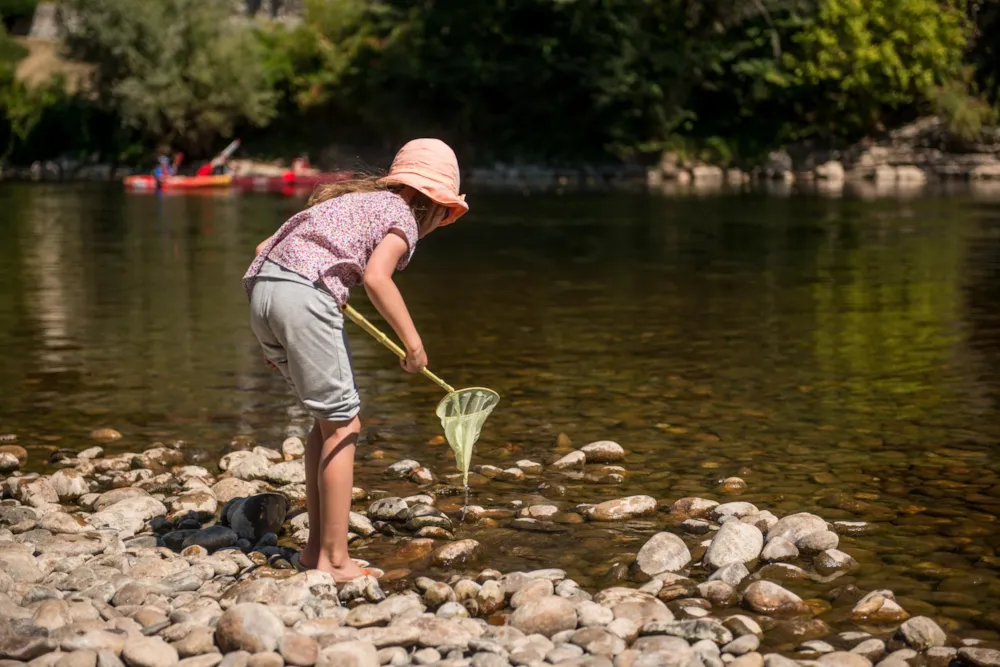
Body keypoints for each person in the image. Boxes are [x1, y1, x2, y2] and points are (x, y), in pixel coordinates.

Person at [243, 139, 468, 581]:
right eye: (445, 215)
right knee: (345, 425)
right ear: (436, 206)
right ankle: (336, 560)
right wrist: (413, 343)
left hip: (263, 293)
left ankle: (314, 553)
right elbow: (376, 278)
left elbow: (262, 249)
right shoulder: (402, 217)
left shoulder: (352, 202)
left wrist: (299, 310)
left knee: (327, 422)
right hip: (301, 299)